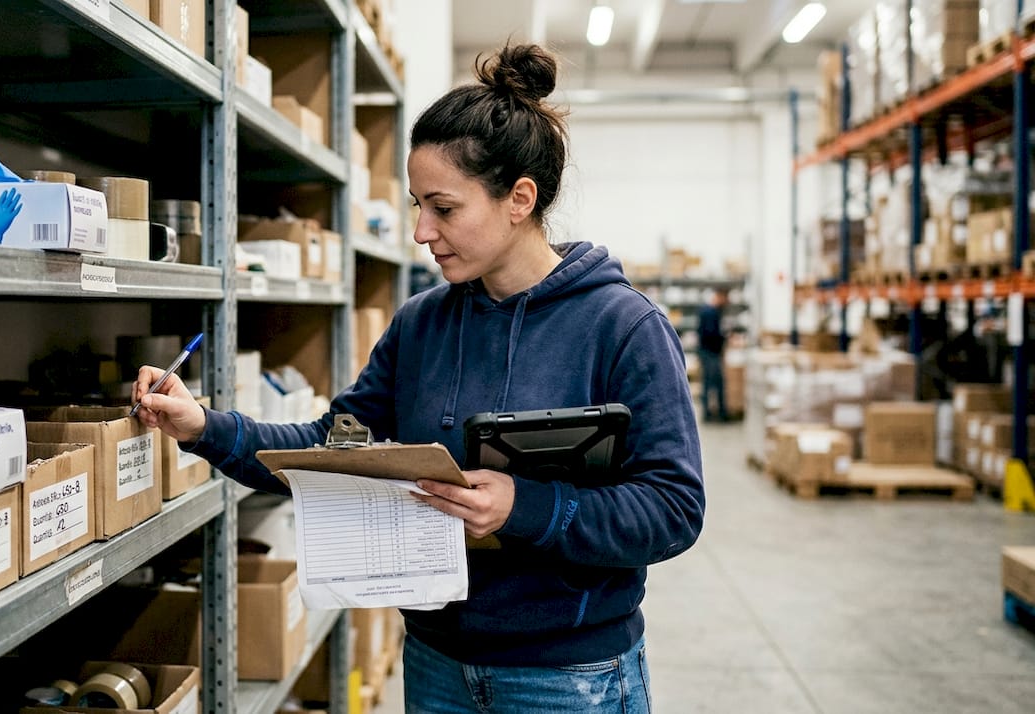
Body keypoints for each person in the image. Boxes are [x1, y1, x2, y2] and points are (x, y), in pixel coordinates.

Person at [133, 43, 704, 714]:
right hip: (436, 666)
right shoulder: (422, 324)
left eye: (443, 207)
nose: (420, 231)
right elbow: (329, 448)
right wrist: (206, 426)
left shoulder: (623, 327)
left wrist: (527, 507)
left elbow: (673, 508)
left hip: (567, 676)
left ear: (520, 198)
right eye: (415, 205)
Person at [696, 289, 728, 422]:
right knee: (713, 384)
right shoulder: (710, 312)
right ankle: (716, 413)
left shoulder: (708, 311)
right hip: (710, 353)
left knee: (710, 383)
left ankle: (712, 413)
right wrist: (723, 338)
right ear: (718, 296)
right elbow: (710, 334)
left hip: (708, 352)